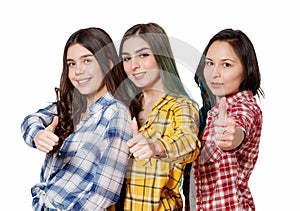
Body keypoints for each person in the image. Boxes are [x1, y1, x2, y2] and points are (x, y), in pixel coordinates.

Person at [20, 27, 132, 210]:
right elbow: (30, 120)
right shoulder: (72, 105)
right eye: (71, 63)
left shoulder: (116, 113)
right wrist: (38, 135)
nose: (78, 71)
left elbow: (105, 193)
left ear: (109, 64)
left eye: (87, 61)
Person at [117, 22, 201, 210]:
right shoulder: (124, 107)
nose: (134, 66)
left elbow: (189, 143)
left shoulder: (181, 107)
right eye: (126, 58)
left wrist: (156, 146)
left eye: (143, 55)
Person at [192, 28, 264, 210]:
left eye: (226, 65)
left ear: (246, 70)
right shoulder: (207, 113)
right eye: (210, 63)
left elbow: (240, 124)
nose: (214, 73)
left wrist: (232, 136)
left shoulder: (244, 106)